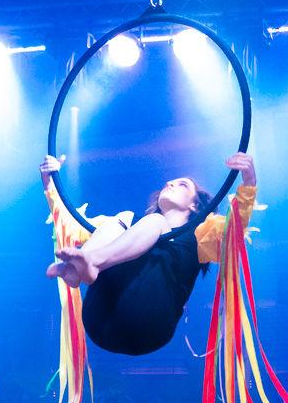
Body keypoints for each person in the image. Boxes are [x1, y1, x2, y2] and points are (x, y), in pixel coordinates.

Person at [41, 152, 258, 355]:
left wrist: (249, 181)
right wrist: (50, 182)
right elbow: (71, 225)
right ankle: (81, 267)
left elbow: (234, 229)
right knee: (121, 219)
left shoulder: (200, 235)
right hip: (99, 317)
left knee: (155, 221)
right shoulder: (127, 224)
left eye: (182, 184)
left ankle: (89, 264)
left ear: (194, 205)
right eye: (170, 182)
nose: (170, 183)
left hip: (149, 323)